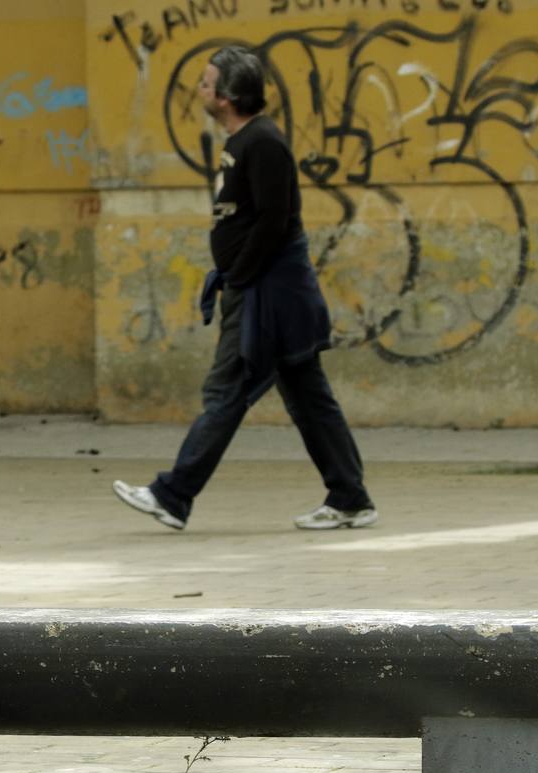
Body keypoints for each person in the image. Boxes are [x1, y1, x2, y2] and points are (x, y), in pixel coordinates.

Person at [113, 46, 376, 532]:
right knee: (307, 395)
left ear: (230, 94)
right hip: (264, 289)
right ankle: (350, 497)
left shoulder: (263, 143)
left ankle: (173, 495)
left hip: (268, 296)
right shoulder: (244, 141)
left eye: (208, 81)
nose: (201, 88)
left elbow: (276, 220)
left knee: (229, 389)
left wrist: (239, 274)